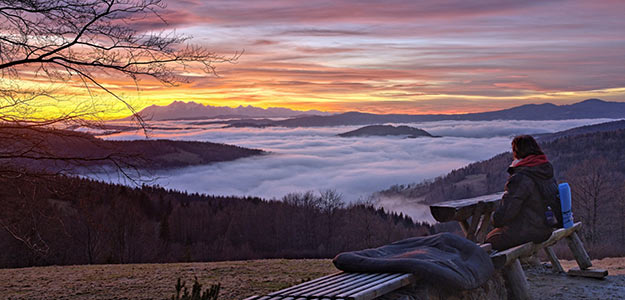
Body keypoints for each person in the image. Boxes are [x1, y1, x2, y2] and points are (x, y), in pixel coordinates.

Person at [485, 135, 556, 250]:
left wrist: (494, 219)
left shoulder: (521, 177)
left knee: (488, 241)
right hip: (546, 228)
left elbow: (504, 214)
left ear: (517, 152)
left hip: (528, 231)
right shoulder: (544, 169)